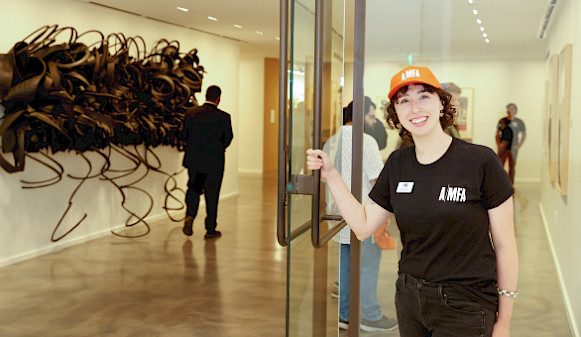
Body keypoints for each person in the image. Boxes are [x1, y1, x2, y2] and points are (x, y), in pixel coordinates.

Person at [307, 65, 518, 337]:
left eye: (424, 97)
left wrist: (505, 322)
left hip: (467, 303)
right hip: (410, 300)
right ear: (396, 113)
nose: (415, 108)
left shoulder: (480, 161)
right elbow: (363, 226)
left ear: (442, 104)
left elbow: (505, 245)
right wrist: (332, 176)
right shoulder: (398, 164)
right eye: (404, 101)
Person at [323, 102, 397, 332]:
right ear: (361, 116)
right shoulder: (366, 141)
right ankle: (371, 316)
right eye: (371, 116)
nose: (374, 121)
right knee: (367, 265)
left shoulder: (331, 141)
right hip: (365, 215)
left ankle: (344, 314)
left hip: (337, 215)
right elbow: (378, 182)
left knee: (347, 264)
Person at [181, 85, 233, 239]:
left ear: (206, 96)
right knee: (212, 195)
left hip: (194, 160)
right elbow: (228, 138)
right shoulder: (224, 117)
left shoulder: (190, 113)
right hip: (214, 162)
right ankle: (210, 229)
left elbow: (184, 135)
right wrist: (217, 149)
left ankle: (190, 215)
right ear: (218, 98)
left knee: (194, 189)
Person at [496, 117, 515, 184]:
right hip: (506, 150)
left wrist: (499, 152)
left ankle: (505, 182)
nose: (499, 125)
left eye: (500, 123)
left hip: (506, 151)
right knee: (508, 166)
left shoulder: (507, 131)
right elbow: (497, 135)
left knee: (502, 166)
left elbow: (504, 144)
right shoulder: (504, 130)